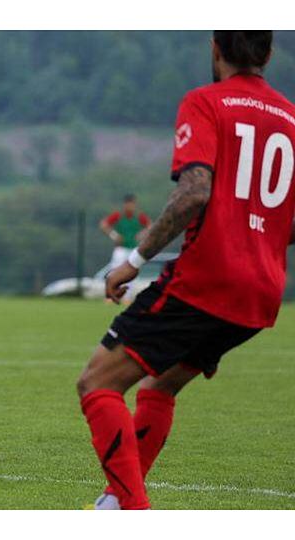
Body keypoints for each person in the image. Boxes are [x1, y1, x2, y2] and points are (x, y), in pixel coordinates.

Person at [76, 31, 294, 510]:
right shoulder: (290, 119)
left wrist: (134, 261)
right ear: (270, 54)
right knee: (161, 383)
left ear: (215, 49)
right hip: (260, 295)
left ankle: (133, 511)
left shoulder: (206, 102)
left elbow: (194, 193)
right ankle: (114, 505)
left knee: (97, 383)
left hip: (207, 281)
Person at [100, 194, 151, 270]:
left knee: (132, 271)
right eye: (128, 204)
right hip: (121, 248)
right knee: (115, 270)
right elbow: (103, 224)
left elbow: (150, 226)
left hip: (134, 249)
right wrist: (114, 235)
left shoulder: (139, 216)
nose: (131, 206)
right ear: (125, 204)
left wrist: (142, 234)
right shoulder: (118, 215)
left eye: (132, 204)